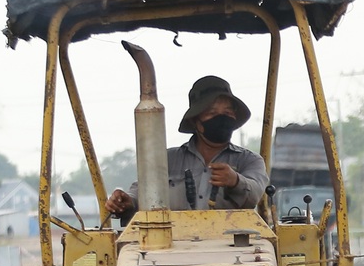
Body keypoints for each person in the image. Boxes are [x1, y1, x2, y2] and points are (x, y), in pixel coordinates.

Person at [105, 75, 268, 221]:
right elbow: (140, 193)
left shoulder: (250, 160)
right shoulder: (167, 160)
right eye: (212, 113)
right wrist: (126, 201)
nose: (221, 118)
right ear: (196, 122)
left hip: (235, 248)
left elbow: (255, 194)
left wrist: (235, 181)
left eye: (227, 112)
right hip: (170, 247)